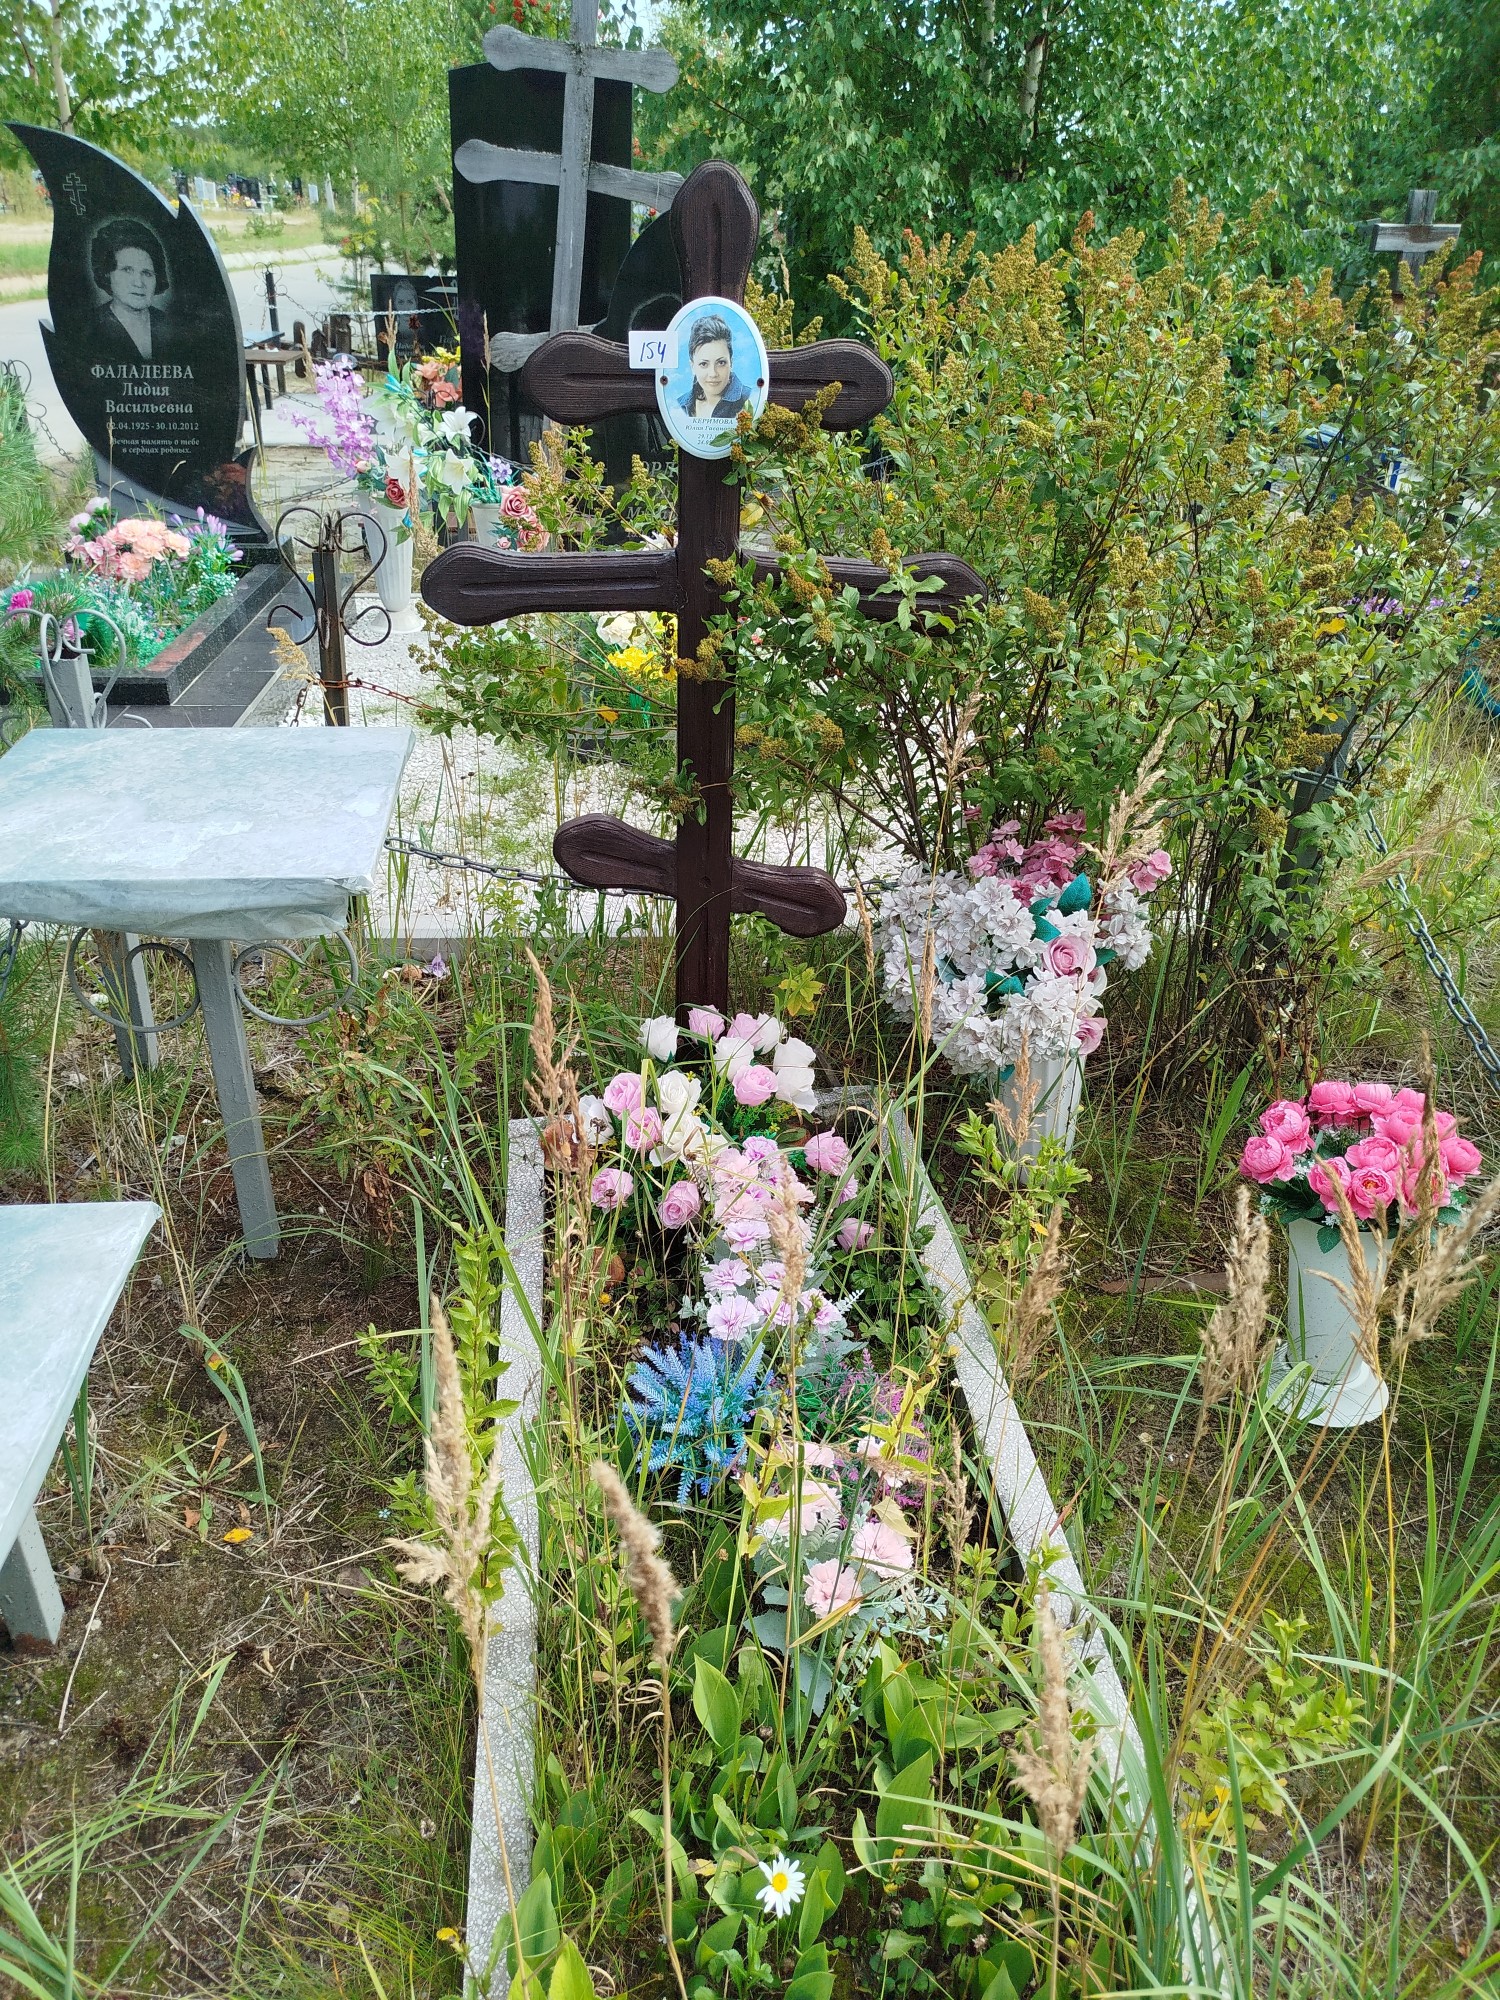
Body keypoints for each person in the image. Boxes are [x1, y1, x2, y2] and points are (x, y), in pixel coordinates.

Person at [89, 218, 173, 364]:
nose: (139, 283)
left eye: (147, 273)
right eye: (127, 270)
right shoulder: (89, 327)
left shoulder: (171, 325)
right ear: (107, 274)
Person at [678, 314, 750, 421]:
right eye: (704, 364)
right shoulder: (680, 406)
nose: (713, 373)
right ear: (692, 367)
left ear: (731, 363)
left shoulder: (749, 399)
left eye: (721, 363)